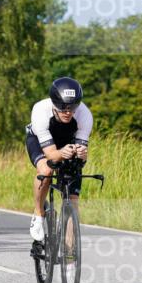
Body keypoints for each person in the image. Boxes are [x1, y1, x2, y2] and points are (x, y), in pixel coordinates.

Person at [25, 77, 93, 242]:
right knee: (46, 170)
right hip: (40, 141)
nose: (68, 112)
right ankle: (38, 214)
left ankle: (69, 254)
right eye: (62, 107)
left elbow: (81, 158)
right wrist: (62, 153)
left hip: (67, 142)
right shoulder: (40, 111)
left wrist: (82, 155)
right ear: (54, 104)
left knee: (73, 199)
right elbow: (51, 154)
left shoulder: (85, 115)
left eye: (72, 107)